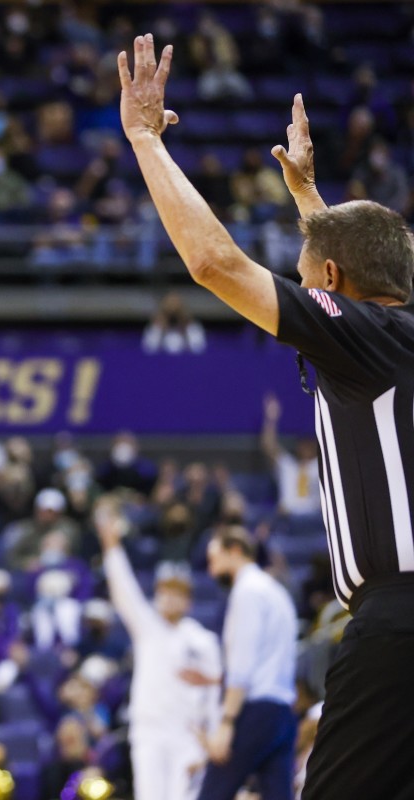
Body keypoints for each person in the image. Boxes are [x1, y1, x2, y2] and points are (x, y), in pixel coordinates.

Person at [119, 33, 414, 798]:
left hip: (401, 628)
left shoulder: (365, 338)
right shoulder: (390, 333)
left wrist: (146, 141)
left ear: (332, 284)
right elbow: (351, 279)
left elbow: (215, 264)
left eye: (308, 273)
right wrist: (309, 202)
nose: (298, 281)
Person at [96, 499, 221, 800]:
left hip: (187, 733)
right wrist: (112, 548)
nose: (168, 600)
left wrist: (211, 738)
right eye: (163, 594)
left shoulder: (202, 640)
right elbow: (124, 591)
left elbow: (215, 690)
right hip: (148, 730)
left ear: (188, 601)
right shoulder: (147, 629)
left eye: (175, 595)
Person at [179, 528, 297, 800]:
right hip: (281, 713)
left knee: (212, 794)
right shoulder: (275, 591)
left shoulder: (247, 591)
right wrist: (214, 680)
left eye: (214, 559)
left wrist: (226, 722)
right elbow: (268, 660)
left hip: (252, 712)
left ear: (234, 551)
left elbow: (243, 664)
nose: (211, 570)